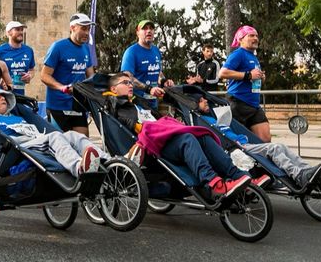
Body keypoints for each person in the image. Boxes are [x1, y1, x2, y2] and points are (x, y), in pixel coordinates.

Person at [103, 73, 264, 200]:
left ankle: (240, 176)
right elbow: (132, 123)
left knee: (204, 137)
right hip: (154, 145)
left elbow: (160, 118)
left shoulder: (138, 103)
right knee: (188, 139)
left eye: (131, 82)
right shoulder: (116, 104)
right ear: (114, 89)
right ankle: (213, 182)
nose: (130, 85)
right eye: (125, 83)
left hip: (165, 136)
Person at [190, 93, 321, 188]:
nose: (205, 101)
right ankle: (298, 175)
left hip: (243, 142)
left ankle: (308, 171)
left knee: (281, 146)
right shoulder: (202, 122)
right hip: (236, 146)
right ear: (195, 104)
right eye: (202, 100)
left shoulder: (212, 118)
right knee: (274, 148)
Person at [0, 87, 103, 177]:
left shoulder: (16, 116)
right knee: (54, 137)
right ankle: (78, 168)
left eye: (4, 96)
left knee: (73, 135)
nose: (2, 98)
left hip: (36, 141)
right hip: (18, 147)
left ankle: (107, 161)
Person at [41, 13, 97, 136]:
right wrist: (61, 87)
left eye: (88, 29)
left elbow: (91, 76)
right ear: (72, 28)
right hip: (58, 105)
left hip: (78, 104)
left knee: (84, 143)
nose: (87, 33)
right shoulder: (58, 47)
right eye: (83, 28)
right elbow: (44, 75)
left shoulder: (86, 49)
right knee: (61, 145)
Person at [217, 26, 271, 142]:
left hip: (254, 105)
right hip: (238, 103)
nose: (255, 38)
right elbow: (222, 73)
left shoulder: (253, 57)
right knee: (239, 142)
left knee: (265, 139)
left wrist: (260, 77)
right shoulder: (238, 54)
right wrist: (248, 75)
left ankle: (260, 160)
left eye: (256, 35)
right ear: (241, 39)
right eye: (251, 35)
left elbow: (253, 76)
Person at [120, 19, 170, 99]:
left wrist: (165, 81)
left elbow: (157, 73)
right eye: (145, 28)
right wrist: (148, 89)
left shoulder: (156, 51)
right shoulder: (131, 52)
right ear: (137, 33)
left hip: (153, 102)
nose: (149, 31)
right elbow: (127, 78)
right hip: (136, 103)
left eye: (151, 28)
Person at [0, 21, 35, 96]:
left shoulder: (28, 50)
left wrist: (29, 76)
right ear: (9, 33)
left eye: (21, 30)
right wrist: (1, 80)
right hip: (2, 94)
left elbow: (31, 69)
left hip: (20, 94)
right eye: (17, 29)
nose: (20, 32)